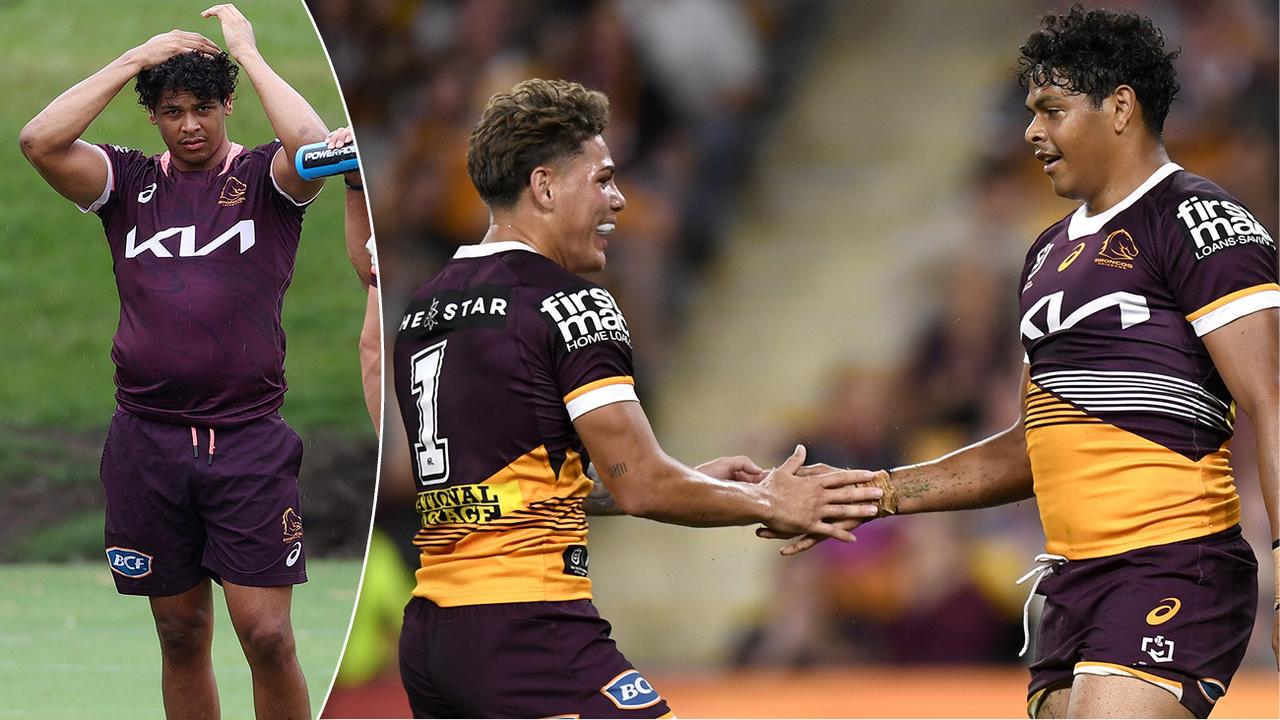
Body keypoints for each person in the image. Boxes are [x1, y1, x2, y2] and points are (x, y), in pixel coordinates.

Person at [768, 6, 1278, 719]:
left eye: (1052, 110)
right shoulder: (1046, 254)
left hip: (1172, 559)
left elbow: (1272, 399)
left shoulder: (1199, 220)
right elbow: (1027, 446)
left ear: (1121, 108)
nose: (1032, 132)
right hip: (1073, 583)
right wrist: (869, 494)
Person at [391, 77, 885, 718]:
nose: (619, 200)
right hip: (528, 628)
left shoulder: (425, 308)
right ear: (544, 187)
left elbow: (505, 488)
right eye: (601, 179)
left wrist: (687, 478)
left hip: (433, 636)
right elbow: (644, 485)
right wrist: (769, 500)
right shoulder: (569, 304)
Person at [19, 5, 333, 718]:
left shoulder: (265, 179)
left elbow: (314, 143)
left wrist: (248, 56)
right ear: (154, 117)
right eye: (171, 111)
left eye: (202, 107)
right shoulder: (126, 184)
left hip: (248, 441)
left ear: (227, 106)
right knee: (181, 631)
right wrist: (136, 57)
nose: (190, 124)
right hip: (147, 443)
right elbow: (39, 140)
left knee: (268, 635)